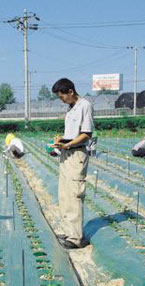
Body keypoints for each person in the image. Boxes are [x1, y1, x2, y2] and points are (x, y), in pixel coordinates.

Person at [51, 78, 94, 249]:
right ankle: (68, 231)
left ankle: (76, 238)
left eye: (62, 97)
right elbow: (72, 133)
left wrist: (68, 144)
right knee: (65, 194)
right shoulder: (70, 110)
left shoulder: (85, 105)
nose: (62, 100)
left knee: (75, 194)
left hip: (76, 154)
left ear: (71, 92)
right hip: (66, 153)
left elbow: (86, 134)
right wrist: (61, 141)